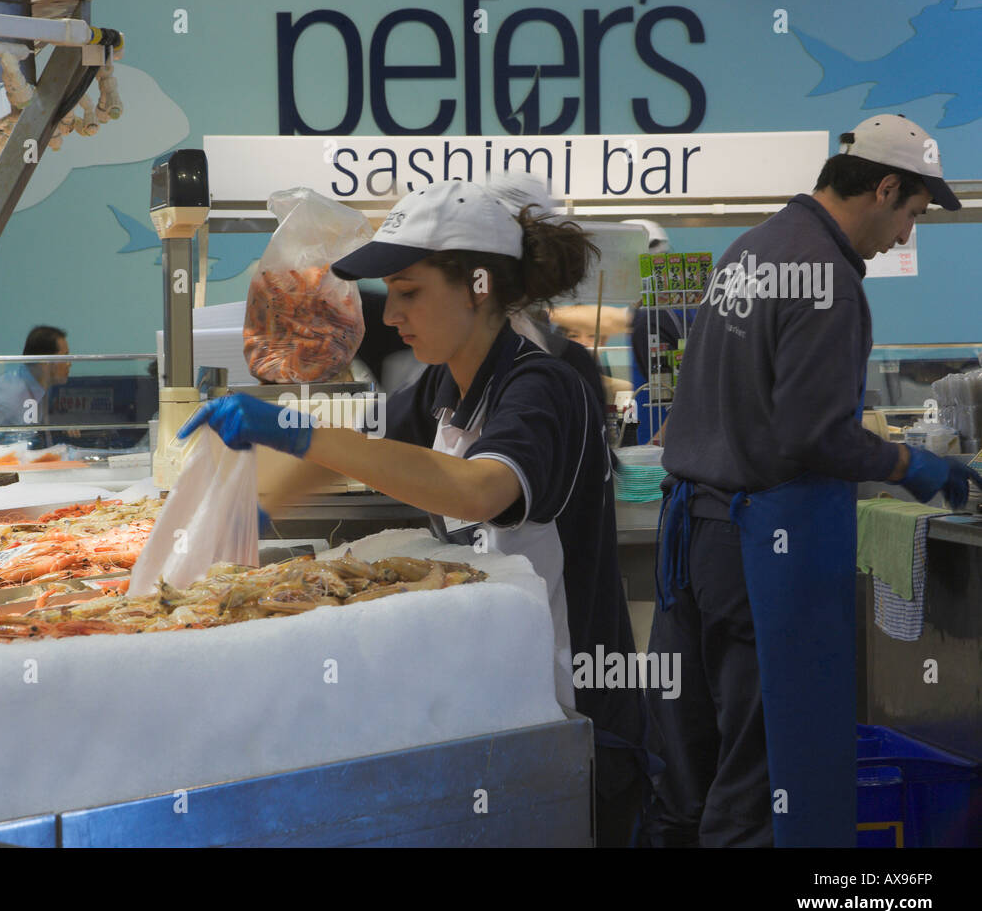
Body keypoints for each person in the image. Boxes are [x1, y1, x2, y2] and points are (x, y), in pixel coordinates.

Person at [179, 178, 648, 846]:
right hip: (493, 699)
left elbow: (478, 489)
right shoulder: (443, 385)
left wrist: (298, 430)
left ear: (479, 287)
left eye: (410, 292)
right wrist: (247, 511)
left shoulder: (541, 385)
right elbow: (356, 447)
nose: (391, 316)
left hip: (568, 720)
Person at [644, 114, 982, 847]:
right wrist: (910, 466)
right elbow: (812, 434)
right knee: (769, 776)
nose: (904, 238)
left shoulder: (751, 249)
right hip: (763, 552)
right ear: (886, 187)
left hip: (702, 543)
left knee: (712, 761)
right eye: (912, 217)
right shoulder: (826, 278)